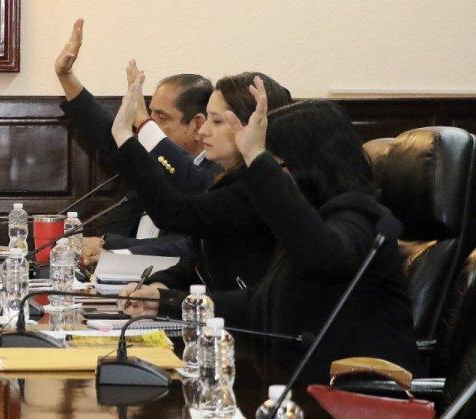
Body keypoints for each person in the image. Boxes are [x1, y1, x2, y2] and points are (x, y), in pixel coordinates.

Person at [122, 78, 419, 381]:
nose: (269, 187)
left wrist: (256, 158)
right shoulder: (311, 221)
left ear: (308, 165)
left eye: (275, 168)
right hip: (298, 383)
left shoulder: (362, 218)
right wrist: (166, 302)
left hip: (360, 396)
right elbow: (259, 304)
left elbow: (321, 255)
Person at [109, 69, 294, 295]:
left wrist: (124, 136)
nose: (203, 131)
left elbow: (172, 213)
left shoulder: (260, 190)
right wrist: (160, 287)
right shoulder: (233, 181)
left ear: (252, 127)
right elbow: (200, 264)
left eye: (216, 121)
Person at [54, 19, 219, 267]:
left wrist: (109, 245)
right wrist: (66, 77)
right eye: (149, 115)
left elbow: (189, 245)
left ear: (196, 124)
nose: (149, 126)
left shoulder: (216, 176)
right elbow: (108, 138)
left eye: (161, 118)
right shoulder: (150, 159)